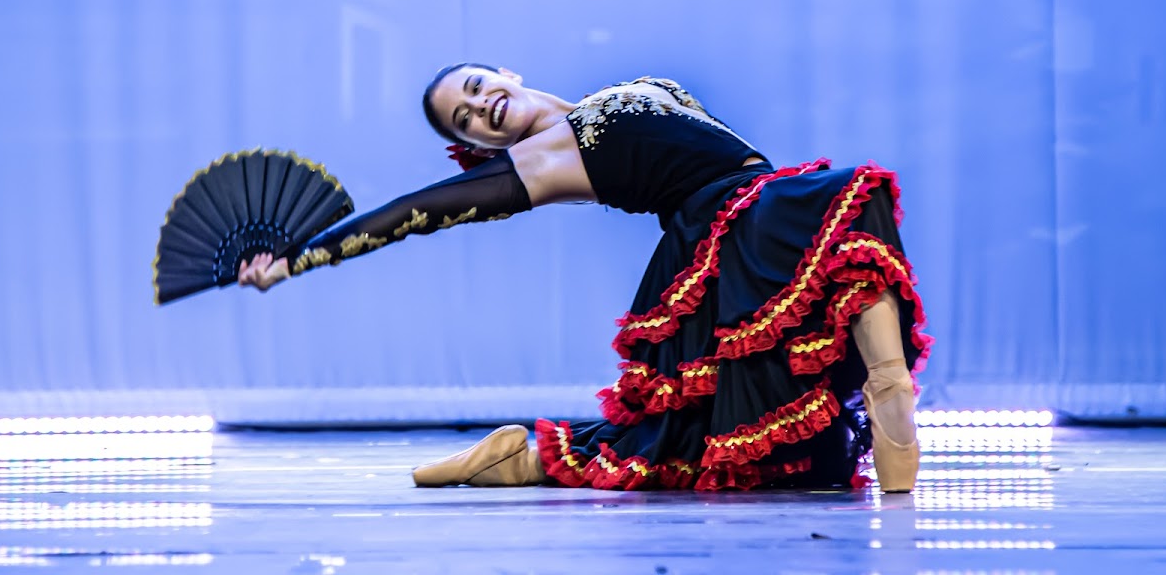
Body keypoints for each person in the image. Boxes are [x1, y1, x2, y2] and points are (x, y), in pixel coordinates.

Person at [238, 65, 931, 492]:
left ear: (504, 72)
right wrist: (300, 258)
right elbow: (416, 211)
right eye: (466, 121)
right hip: (723, 224)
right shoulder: (539, 160)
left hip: (753, 217)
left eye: (476, 89)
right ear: (474, 147)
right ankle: (890, 392)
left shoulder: (623, 91)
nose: (480, 109)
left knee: (778, 436)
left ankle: (519, 458)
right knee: (850, 197)